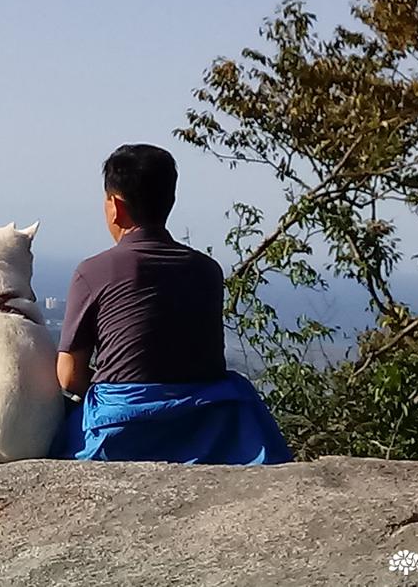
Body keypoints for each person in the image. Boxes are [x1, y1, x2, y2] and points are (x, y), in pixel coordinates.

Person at [49, 143, 291, 464]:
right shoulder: (207, 270)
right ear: (170, 201)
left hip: (120, 431)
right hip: (204, 426)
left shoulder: (93, 271)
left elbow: (69, 376)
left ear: (115, 205)